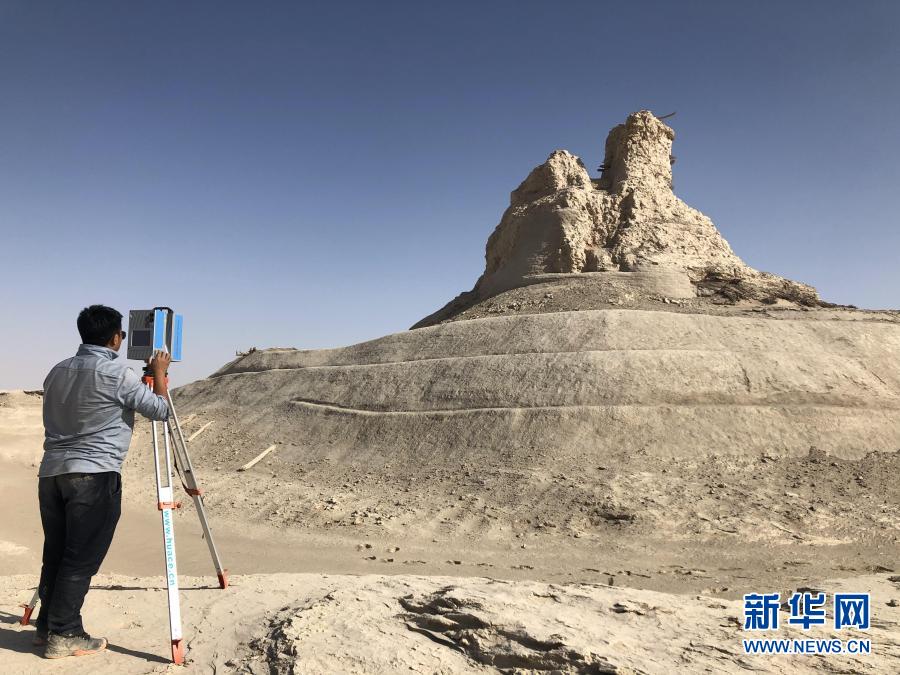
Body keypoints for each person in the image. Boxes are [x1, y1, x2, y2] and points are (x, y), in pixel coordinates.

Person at [35, 305, 171, 659]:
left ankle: (46, 626)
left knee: (56, 553)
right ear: (115, 338)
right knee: (80, 559)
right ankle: (65, 634)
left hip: (52, 475)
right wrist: (159, 374)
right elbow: (161, 411)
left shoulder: (56, 371)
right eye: (122, 335)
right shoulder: (118, 374)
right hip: (93, 475)